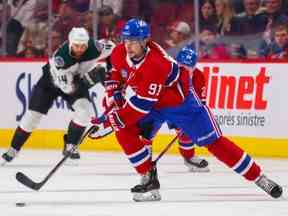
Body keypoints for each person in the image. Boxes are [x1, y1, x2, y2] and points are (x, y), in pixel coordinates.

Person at [91, 18, 283, 202]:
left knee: (215, 143)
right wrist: (114, 89)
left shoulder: (156, 64)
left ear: (145, 41)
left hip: (181, 104)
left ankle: (259, 177)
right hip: (154, 102)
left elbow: (140, 107)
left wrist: (108, 122)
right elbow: (116, 69)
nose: (128, 46)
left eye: (133, 42)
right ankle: (148, 179)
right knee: (124, 130)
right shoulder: (119, 52)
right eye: (126, 40)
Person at [1, 27, 115, 165]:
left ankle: (70, 146)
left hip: (76, 79)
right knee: (32, 117)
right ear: (70, 43)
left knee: (84, 112)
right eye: (76, 46)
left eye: (83, 46)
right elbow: (68, 89)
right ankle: (13, 149)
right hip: (50, 83)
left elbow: (114, 50)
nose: (80, 49)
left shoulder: (96, 47)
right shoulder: (60, 60)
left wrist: (111, 70)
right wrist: (91, 79)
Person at [139, 45, 209, 172]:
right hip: (159, 105)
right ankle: (144, 162)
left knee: (186, 130)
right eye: (181, 66)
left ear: (194, 68)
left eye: (188, 68)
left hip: (180, 107)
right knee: (147, 130)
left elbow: (200, 103)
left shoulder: (199, 77)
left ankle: (189, 158)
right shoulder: (167, 70)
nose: (184, 71)